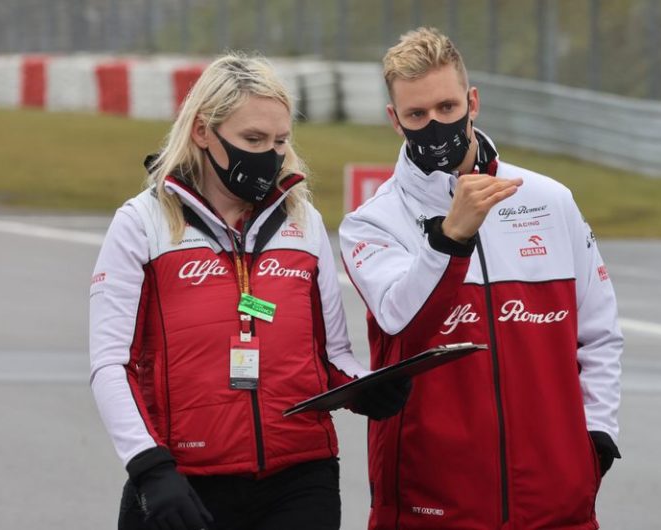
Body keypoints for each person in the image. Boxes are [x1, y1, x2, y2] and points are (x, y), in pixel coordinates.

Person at [89, 52, 408, 530]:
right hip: (183, 481)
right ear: (202, 132)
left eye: (281, 141)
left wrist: (365, 389)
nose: (270, 154)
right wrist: (149, 466)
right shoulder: (142, 223)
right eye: (253, 139)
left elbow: (332, 355)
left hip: (301, 477)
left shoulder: (306, 222)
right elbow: (110, 363)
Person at [339, 27, 623, 530]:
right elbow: (401, 322)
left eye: (446, 108)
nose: (434, 125)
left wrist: (596, 434)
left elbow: (598, 333)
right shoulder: (371, 222)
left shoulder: (549, 199)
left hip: (555, 502)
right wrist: (449, 239)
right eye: (416, 115)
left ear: (472, 101)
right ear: (394, 120)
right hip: (432, 503)